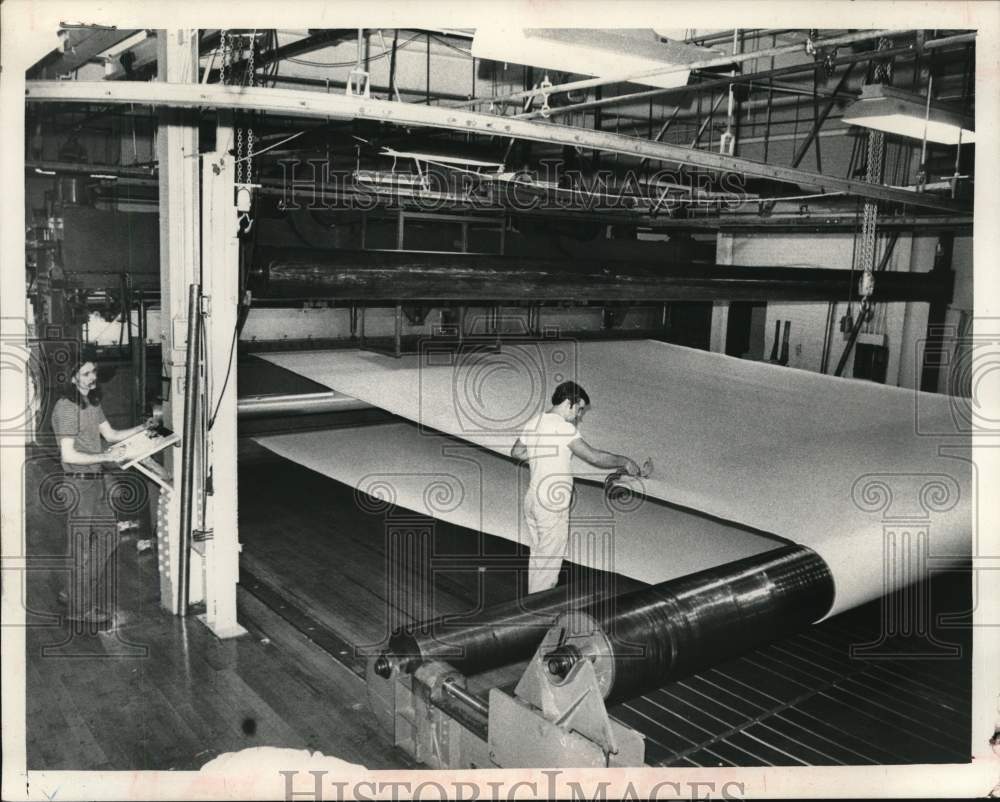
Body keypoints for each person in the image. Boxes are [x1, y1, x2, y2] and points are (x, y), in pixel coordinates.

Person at [50, 352, 154, 627]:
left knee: (107, 537)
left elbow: (111, 435)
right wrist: (105, 458)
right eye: (85, 374)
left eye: (93, 371)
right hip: (79, 484)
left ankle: (74, 590)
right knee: (83, 547)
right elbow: (68, 455)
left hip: (94, 482)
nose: (92, 377)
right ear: (72, 377)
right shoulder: (67, 407)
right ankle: (78, 609)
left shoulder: (90, 402)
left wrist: (144, 428)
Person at [510, 381, 639, 594]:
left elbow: (516, 452)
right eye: (579, 409)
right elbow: (594, 456)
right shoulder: (563, 427)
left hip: (532, 499)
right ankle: (539, 619)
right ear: (569, 403)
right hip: (551, 504)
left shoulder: (536, 420)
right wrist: (624, 461)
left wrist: (539, 452)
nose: (579, 415)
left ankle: (530, 606)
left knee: (539, 558)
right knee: (548, 566)